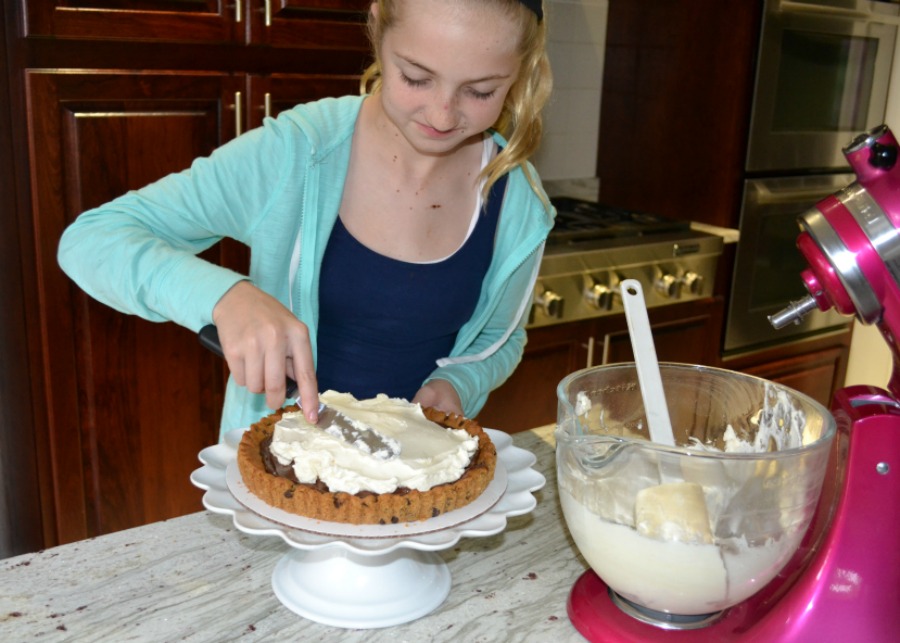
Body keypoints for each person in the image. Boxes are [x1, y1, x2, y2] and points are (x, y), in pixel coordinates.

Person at [58, 0, 554, 434]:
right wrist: (225, 297)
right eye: (416, 77)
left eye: (481, 91)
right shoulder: (298, 153)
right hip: (277, 482)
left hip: (418, 491)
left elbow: (499, 338)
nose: (443, 115)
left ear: (520, 72)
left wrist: (458, 383)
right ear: (378, 30)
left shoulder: (520, 203)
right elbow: (92, 239)